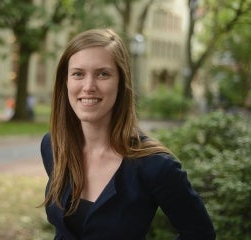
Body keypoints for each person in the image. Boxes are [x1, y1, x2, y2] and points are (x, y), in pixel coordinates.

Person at [40, 28, 216, 239]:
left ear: (121, 83)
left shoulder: (155, 165)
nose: (88, 86)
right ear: (65, 82)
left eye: (103, 74)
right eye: (78, 74)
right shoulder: (53, 146)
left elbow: (200, 233)